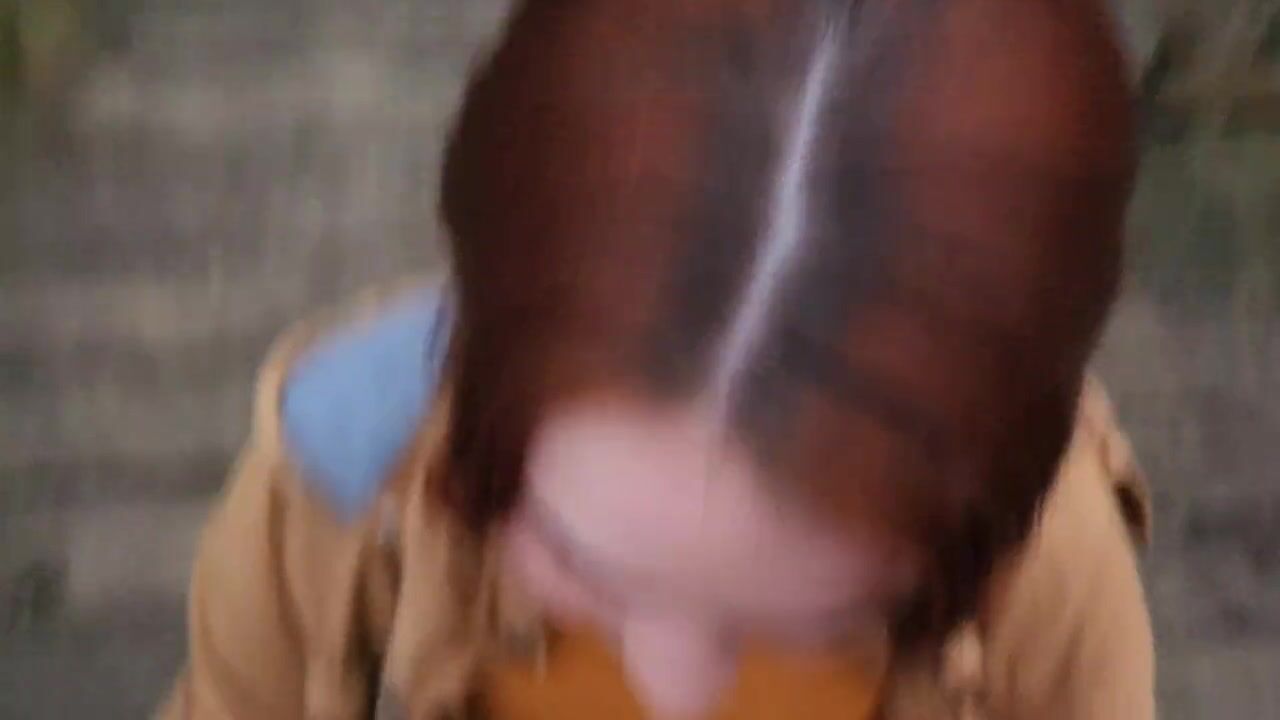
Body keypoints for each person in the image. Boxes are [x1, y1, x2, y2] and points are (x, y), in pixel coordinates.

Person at [160, 1, 1154, 718]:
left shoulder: (1045, 572)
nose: (674, 694)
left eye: (818, 616)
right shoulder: (342, 482)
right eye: (578, 561)